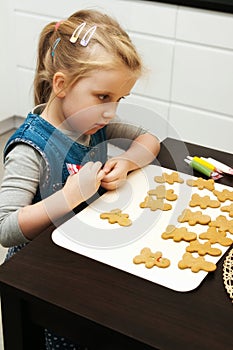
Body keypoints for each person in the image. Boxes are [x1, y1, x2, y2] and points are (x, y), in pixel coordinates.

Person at [0, 9, 160, 350]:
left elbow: (150, 140)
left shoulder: (92, 125)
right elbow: (6, 228)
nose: (111, 112)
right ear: (61, 84)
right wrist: (69, 196)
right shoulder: (30, 147)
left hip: (82, 268)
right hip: (41, 282)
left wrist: (126, 161)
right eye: (102, 97)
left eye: (119, 100)